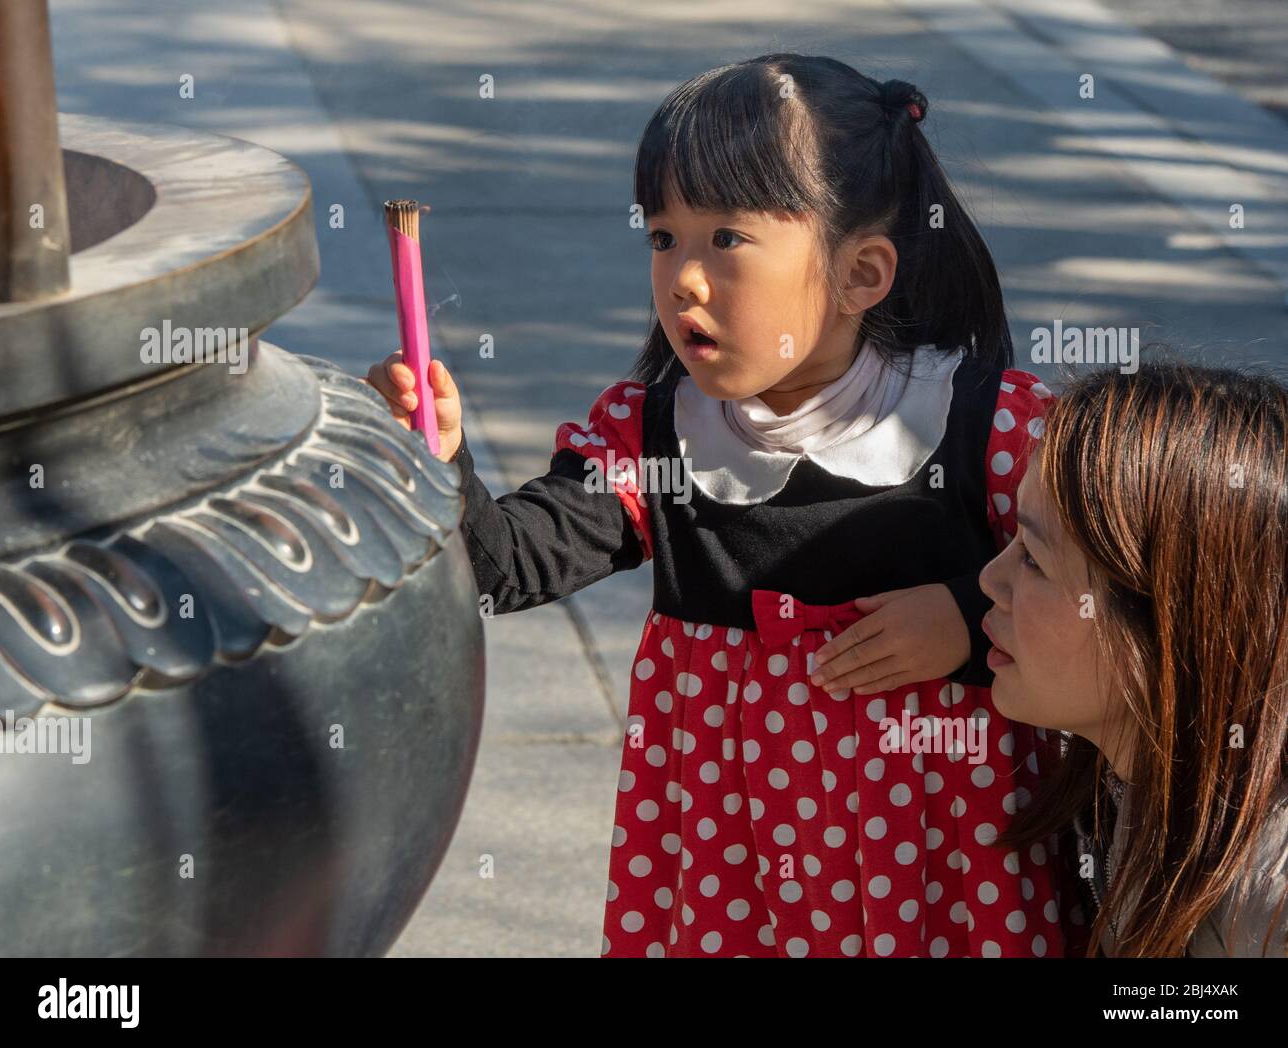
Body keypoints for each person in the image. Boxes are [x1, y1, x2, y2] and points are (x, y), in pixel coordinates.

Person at [366, 53, 1078, 957]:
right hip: (729, 884)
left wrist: (972, 622)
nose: (684, 279)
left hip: (946, 881)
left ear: (861, 273)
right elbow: (502, 568)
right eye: (664, 238)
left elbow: (1119, 596)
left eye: (726, 240)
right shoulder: (653, 437)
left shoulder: (994, 430)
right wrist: (438, 465)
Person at [979, 360, 1288, 957]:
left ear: (1168, 624)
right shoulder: (1132, 789)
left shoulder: (1269, 898)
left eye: (1034, 561)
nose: (990, 578)